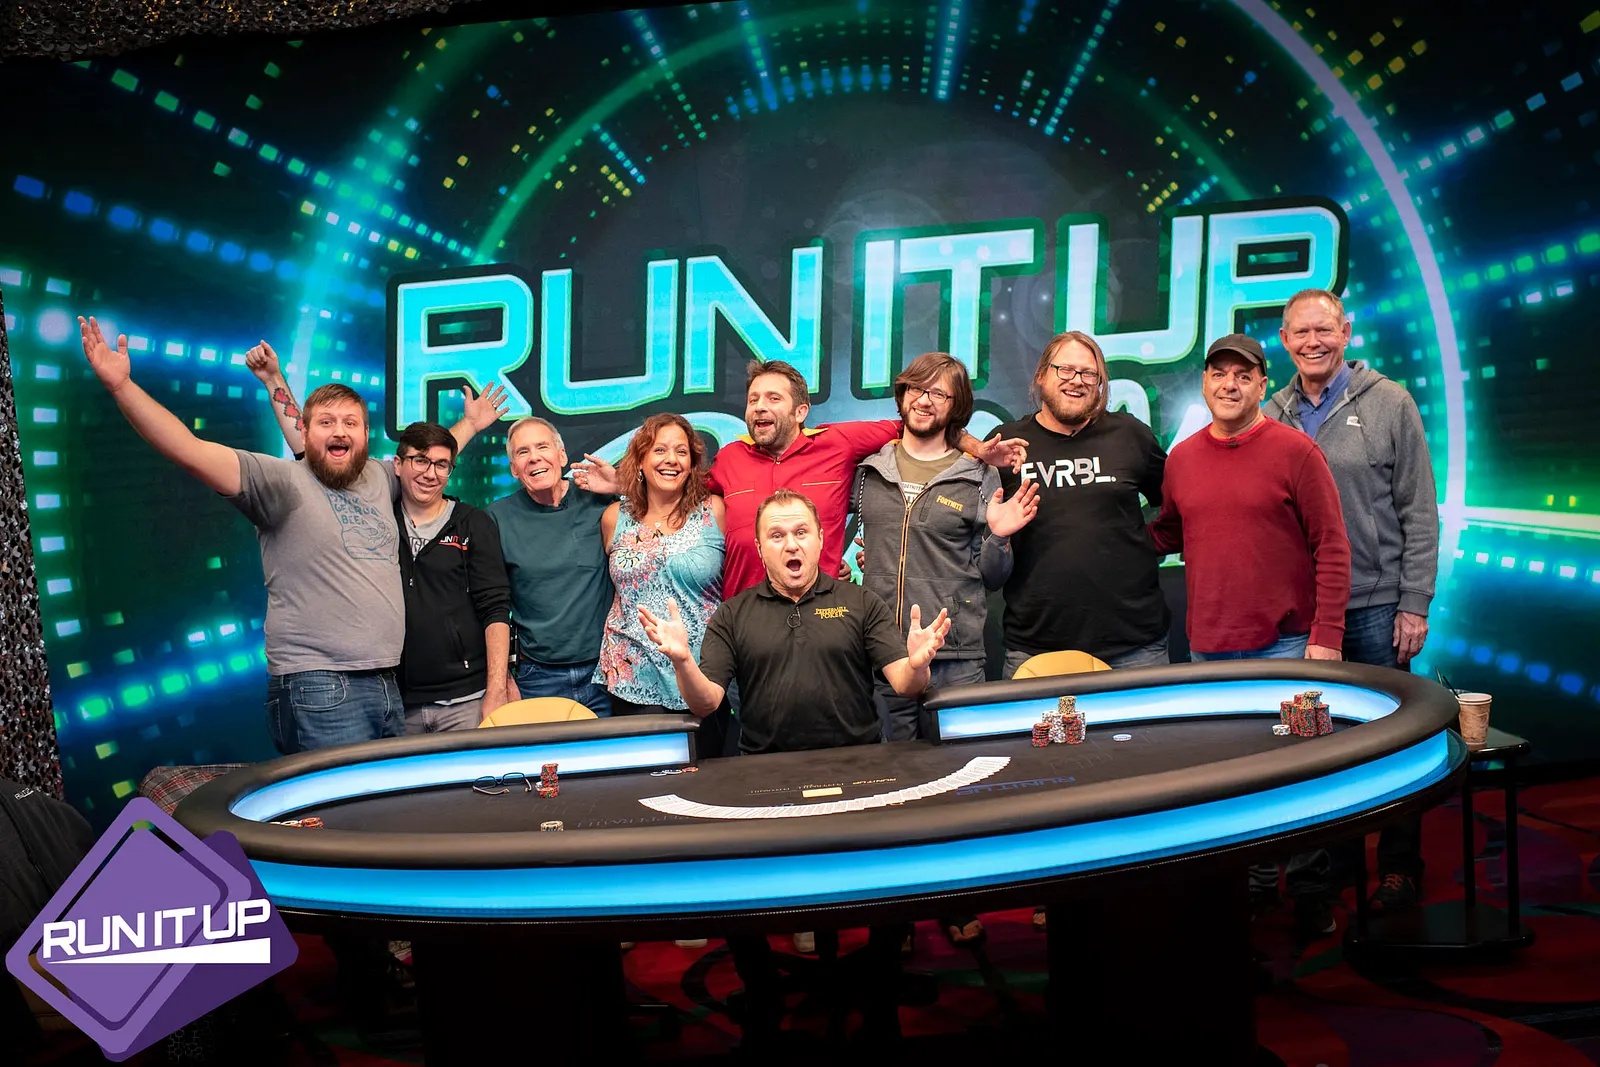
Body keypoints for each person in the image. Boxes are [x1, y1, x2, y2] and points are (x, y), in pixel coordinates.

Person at [80, 318, 504, 753]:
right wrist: (122, 386)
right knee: (339, 800)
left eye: (350, 423)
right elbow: (189, 449)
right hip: (318, 685)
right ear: (304, 431)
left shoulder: (379, 477)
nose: (339, 431)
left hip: (386, 683)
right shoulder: (279, 481)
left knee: (380, 798)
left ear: (365, 435)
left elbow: (426, 462)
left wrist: (470, 425)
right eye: (326, 422)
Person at [640, 489, 950, 1048]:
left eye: (801, 532)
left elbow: (904, 683)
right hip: (764, 780)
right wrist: (684, 661)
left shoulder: (859, 602)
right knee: (731, 883)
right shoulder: (733, 614)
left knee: (899, 871)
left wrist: (920, 662)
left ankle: (879, 993)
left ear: (821, 539)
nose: (791, 545)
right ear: (760, 548)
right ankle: (762, 992)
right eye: (777, 535)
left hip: (860, 771)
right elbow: (707, 703)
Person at [1148, 331, 1352, 949]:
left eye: (1243, 375)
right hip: (1211, 651)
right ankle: (1257, 887)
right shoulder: (1182, 459)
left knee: (1303, 777)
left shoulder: (1296, 451)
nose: (1229, 385)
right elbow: (1167, 533)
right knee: (1235, 783)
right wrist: (1092, 531)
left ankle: (1311, 893)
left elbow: (1332, 546)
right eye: (1219, 373)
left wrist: (1327, 637)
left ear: (1263, 385)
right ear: (1204, 383)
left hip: (1290, 648)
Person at [852, 352, 1039, 946]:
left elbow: (993, 576)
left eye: (939, 393)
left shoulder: (976, 474)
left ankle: (957, 901)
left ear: (956, 407)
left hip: (957, 656)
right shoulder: (869, 471)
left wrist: (1000, 538)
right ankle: (897, 914)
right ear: (902, 396)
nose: (925, 400)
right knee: (890, 791)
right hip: (887, 655)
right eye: (916, 389)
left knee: (958, 787)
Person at [1266, 288, 1440, 912]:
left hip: (1376, 605)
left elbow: (1419, 510)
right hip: (1304, 616)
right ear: (1284, 340)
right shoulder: (1271, 413)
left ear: (1346, 333)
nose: (1312, 342)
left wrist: (1414, 601)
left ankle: (1398, 868)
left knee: (1393, 741)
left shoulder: (1391, 402)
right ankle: (1336, 867)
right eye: (1300, 333)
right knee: (1322, 743)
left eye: (1324, 330)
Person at [246, 346, 514, 732]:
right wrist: (274, 379)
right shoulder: (377, 501)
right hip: (389, 694)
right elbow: (308, 445)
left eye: (441, 466)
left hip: (450, 697)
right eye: (416, 463)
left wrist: (470, 424)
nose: (429, 472)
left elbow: (432, 456)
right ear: (398, 466)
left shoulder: (465, 518)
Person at [993, 332, 1171, 678]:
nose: (1077, 380)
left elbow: (1176, 503)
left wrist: (1145, 545)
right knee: (1047, 721)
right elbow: (980, 540)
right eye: (1065, 369)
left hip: (1135, 648)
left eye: (1089, 373)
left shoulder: (1130, 434)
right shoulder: (1007, 445)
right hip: (1037, 650)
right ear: (1041, 376)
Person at [595, 413, 726, 716]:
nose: (671, 460)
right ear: (640, 460)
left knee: (709, 749)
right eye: (659, 450)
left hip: (703, 671)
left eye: (681, 452)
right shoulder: (613, 518)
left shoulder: (715, 511)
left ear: (692, 464)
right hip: (631, 677)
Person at [491, 417, 616, 716]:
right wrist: (503, 680)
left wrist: (621, 484)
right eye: (522, 452)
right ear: (513, 469)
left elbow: (668, 507)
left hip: (606, 672)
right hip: (537, 678)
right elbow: (490, 606)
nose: (534, 457)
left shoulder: (601, 500)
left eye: (542, 447)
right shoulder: (496, 518)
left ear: (561, 455)